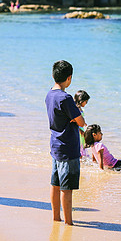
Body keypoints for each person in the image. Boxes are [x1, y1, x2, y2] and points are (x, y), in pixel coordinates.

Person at [45, 60, 85, 225]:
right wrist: (75, 119)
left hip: (55, 145)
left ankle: (56, 218)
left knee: (55, 183)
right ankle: (69, 222)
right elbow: (81, 121)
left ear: (53, 75)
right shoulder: (66, 98)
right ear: (69, 78)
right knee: (66, 188)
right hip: (68, 147)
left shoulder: (49, 94)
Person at [74, 90, 90, 158]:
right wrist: (79, 130)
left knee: (82, 144)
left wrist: (84, 122)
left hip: (81, 128)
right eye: (86, 102)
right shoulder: (76, 109)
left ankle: (82, 158)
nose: (86, 103)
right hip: (77, 130)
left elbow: (81, 118)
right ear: (81, 101)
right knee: (79, 145)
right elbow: (74, 121)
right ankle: (79, 158)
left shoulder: (80, 109)